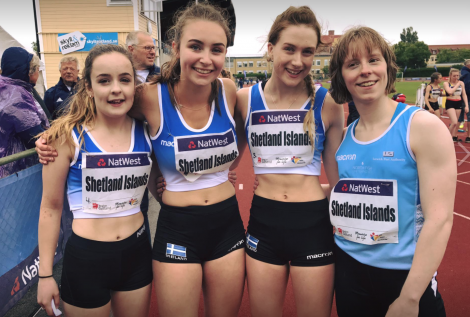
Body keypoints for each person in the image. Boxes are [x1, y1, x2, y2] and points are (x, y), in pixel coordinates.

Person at [328, 26, 454, 317]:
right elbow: (353, 191)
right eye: (352, 64)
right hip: (350, 274)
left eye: (373, 60)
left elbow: (440, 219)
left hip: (405, 279)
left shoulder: (421, 127)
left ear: (387, 66)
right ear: (342, 76)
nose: (365, 71)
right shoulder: (346, 137)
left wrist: (410, 298)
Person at [238, 7, 344, 317]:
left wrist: (315, 190)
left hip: (313, 225)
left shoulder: (328, 104)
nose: (298, 61)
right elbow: (224, 163)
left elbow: (339, 181)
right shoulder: (245, 100)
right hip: (264, 223)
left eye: (307, 52)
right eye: (289, 49)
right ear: (270, 50)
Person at [36, 44, 153, 317]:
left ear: (134, 85)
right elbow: (50, 208)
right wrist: (45, 275)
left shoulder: (148, 130)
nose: (116, 89)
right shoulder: (66, 137)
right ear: (87, 87)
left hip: (137, 253)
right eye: (104, 80)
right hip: (87, 259)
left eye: (125, 79)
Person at [0, 47, 49, 178]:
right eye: (37, 70)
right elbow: (34, 136)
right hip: (13, 172)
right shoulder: (16, 94)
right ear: (28, 71)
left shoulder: (4, 87)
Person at [443, 68, 468, 142]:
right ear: (450, 75)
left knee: (456, 122)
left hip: (459, 102)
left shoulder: (461, 83)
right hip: (450, 102)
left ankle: (453, 136)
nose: (456, 77)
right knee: (454, 122)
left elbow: (464, 94)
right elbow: (450, 92)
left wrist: (466, 105)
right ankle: (446, 137)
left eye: (457, 75)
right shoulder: (446, 83)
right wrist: (457, 85)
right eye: (454, 76)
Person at [459, 59, 470, 142]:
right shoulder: (467, 74)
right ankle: (468, 136)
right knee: (468, 116)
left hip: (459, 97)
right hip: (467, 97)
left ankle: (453, 135)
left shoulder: (462, 72)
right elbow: (467, 87)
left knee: (459, 116)